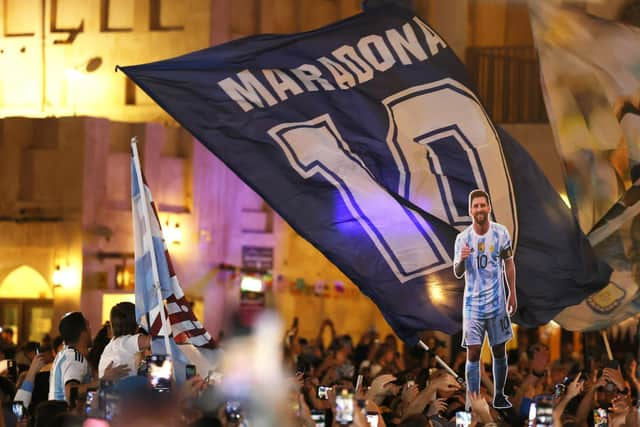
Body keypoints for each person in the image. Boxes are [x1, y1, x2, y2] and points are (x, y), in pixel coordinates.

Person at [453, 189, 517, 409]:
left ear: (489, 207)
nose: (479, 209)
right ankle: (473, 399)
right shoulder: (463, 238)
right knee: (473, 350)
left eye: (483, 205)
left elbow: (509, 263)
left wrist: (513, 293)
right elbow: (457, 271)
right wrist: (461, 260)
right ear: (470, 210)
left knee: (499, 349)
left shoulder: (500, 233)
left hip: (498, 301)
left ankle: (499, 395)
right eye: (476, 206)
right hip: (473, 304)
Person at [48, 312, 94, 403]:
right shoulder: (75, 358)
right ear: (83, 332)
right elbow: (71, 392)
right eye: (88, 327)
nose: (91, 332)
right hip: (65, 414)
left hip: (56, 413)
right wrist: (100, 383)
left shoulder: (65, 354)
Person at [98, 302, 151, 379]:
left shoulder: (112, 344)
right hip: (121, 389)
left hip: (107, 388)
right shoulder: (126, 342)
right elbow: (154, 340)